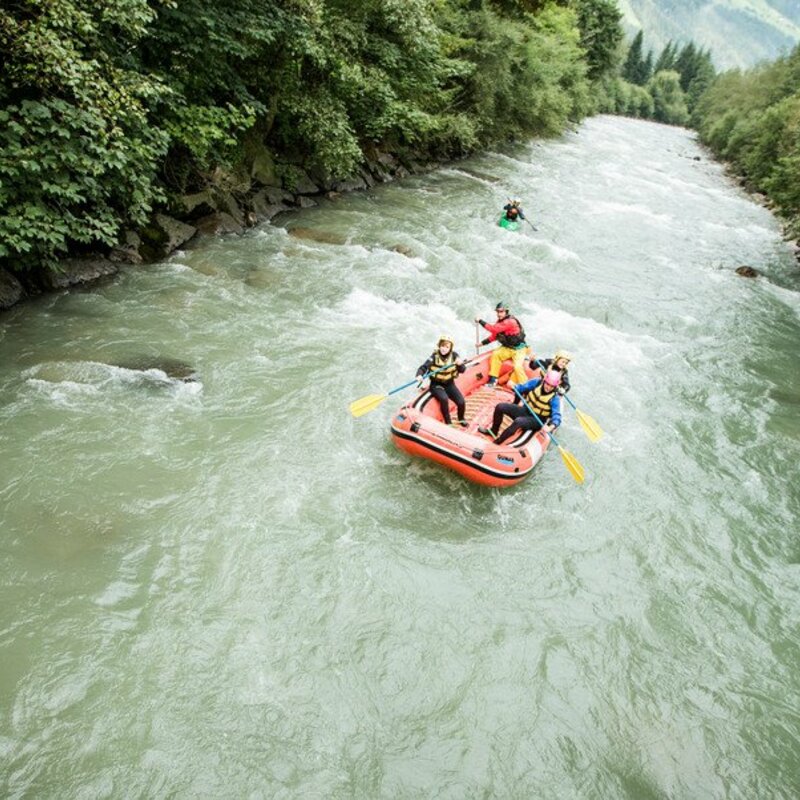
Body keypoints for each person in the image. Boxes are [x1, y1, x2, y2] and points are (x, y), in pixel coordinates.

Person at [478, 369, 562, 445]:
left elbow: (557, 416)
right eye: (547, 384)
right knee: (500, 407)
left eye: (552, 386)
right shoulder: (536, 382)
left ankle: (498, 442)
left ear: (555, 386)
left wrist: (551, 427)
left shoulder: (555, 398)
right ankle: (494, 430)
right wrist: (514, 386)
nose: (548, 387)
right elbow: (522, 387)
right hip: (526, 410)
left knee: (518, 421)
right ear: (544, 380)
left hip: (537, 420)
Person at [415, 335, 468, 427]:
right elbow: (423, 367)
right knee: (444, 399)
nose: (444, 348)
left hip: (449, 384)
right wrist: (419, 375)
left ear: (450, 348)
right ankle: (448, 422)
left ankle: (461, 418)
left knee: (461, 402)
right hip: (436, 384)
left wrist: (460, 364)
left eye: (447, 347)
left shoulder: (455, 355)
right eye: (442, 346)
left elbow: (462, 370)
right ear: (439, 346)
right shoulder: (434, 356)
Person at [475, 302, 530, 386]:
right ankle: (493, 379)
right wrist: (482, 343)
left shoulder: (510, 322)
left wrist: (480, 321)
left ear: (506, 312)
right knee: (495, 354)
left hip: (520, 349)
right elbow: (495, 336)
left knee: (517, 367)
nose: (499, 314)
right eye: (497, 312)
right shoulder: (500, 322)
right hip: (508, 348)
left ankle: (526, 386)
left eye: (501, 312)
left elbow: (493, 329)